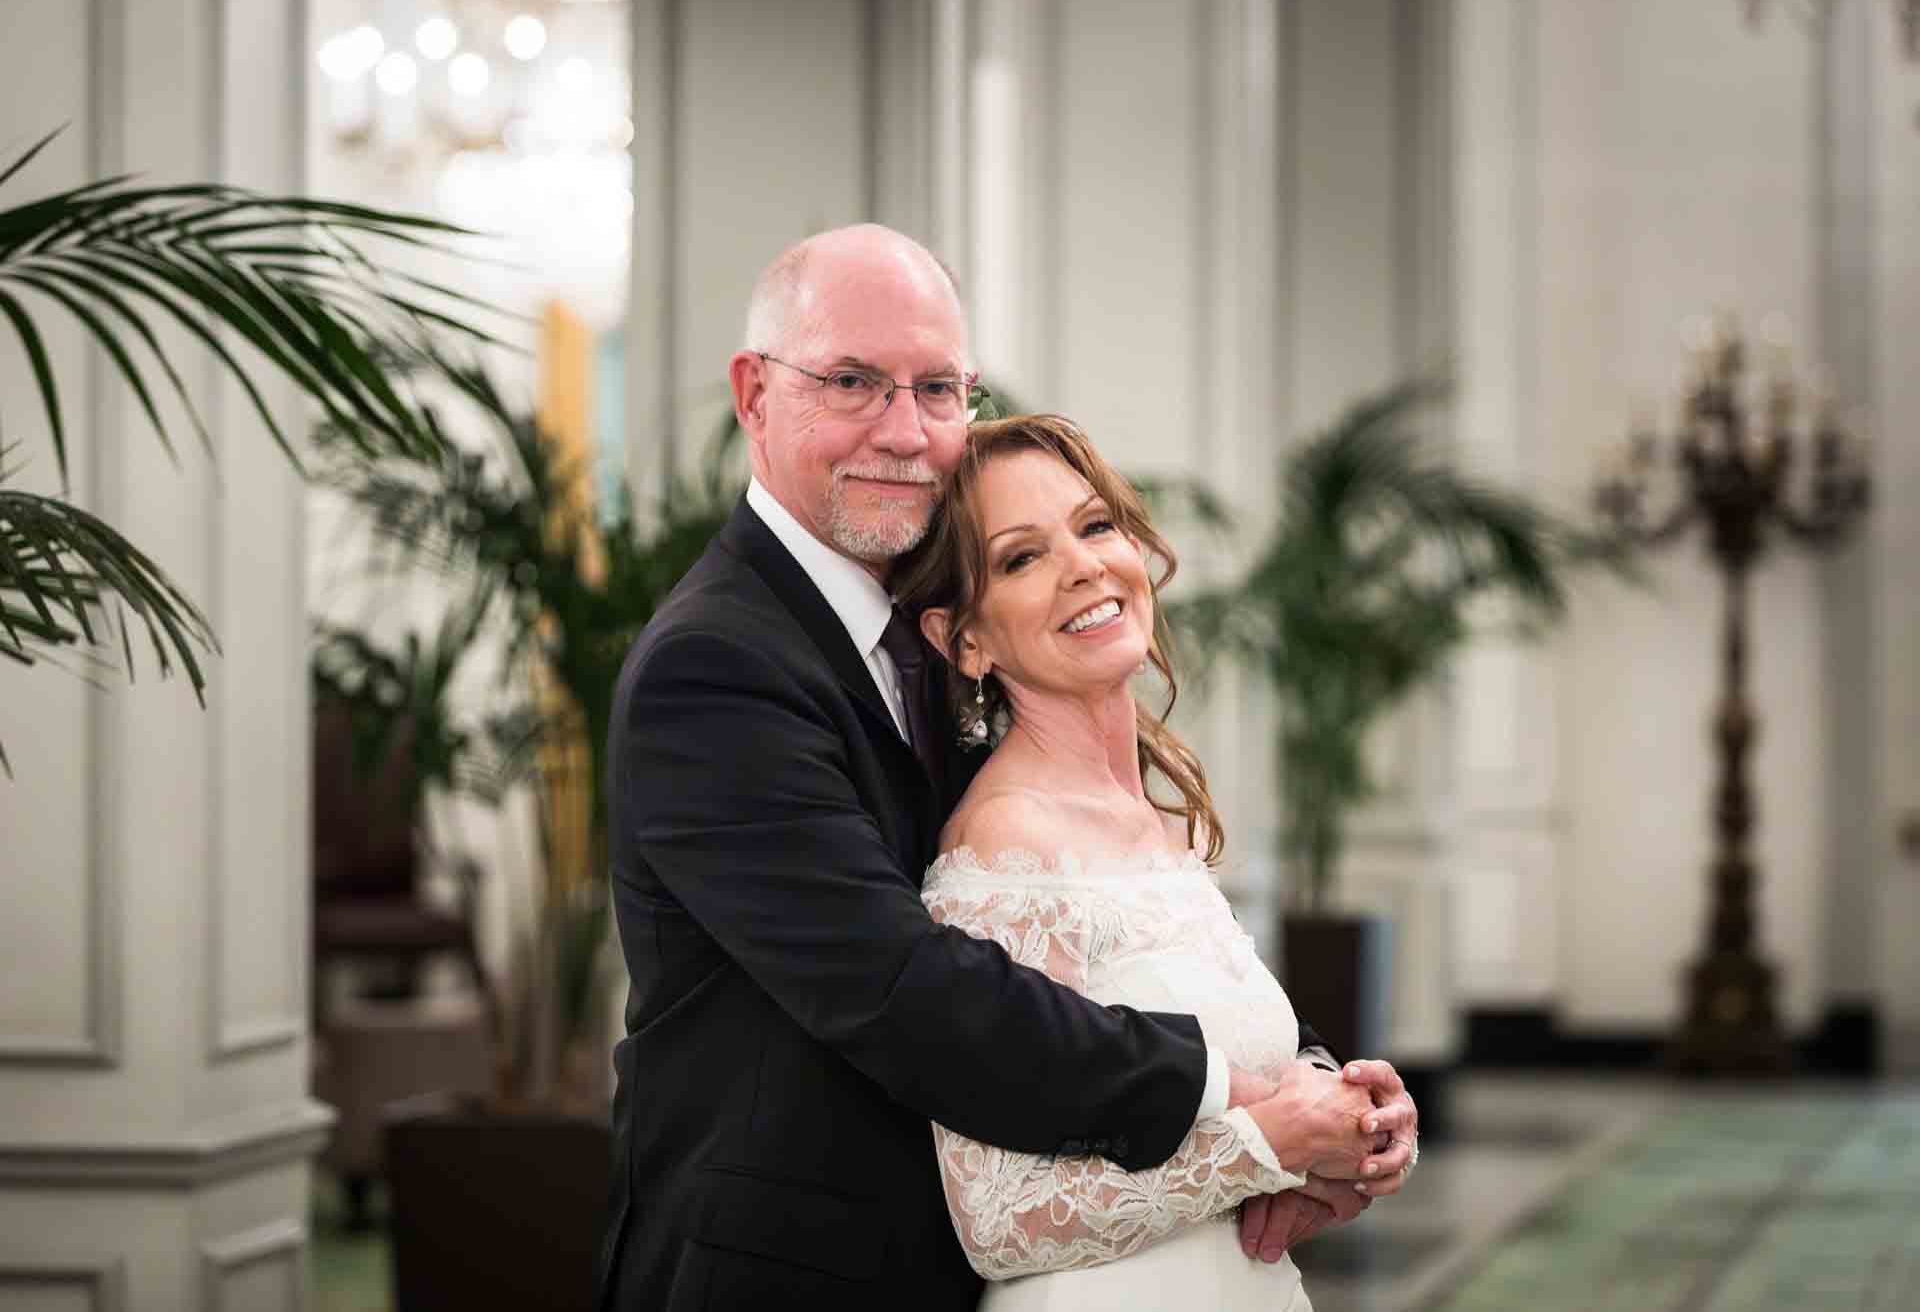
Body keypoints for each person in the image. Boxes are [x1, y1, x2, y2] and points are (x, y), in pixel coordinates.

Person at [597, 224, 1417, 1311]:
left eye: (936, 388)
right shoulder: (713, 666)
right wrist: (1246, 1113)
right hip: (785, 1270)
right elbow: (897, 987)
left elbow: (1101, 939)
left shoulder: (946, 645)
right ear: (754, 394)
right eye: (853, 381)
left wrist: (1322, 1094)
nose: (904, 431)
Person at [891, 413, 1405, 1308]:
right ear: (964, 638)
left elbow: (1231, 1075)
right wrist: (1268, 1145)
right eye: (1021, 558)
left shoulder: (1159, 827)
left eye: (1094, 525)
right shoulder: (1007, 847)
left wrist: (1349, 1109)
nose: (1085, 565)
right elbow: (1000, 1216)